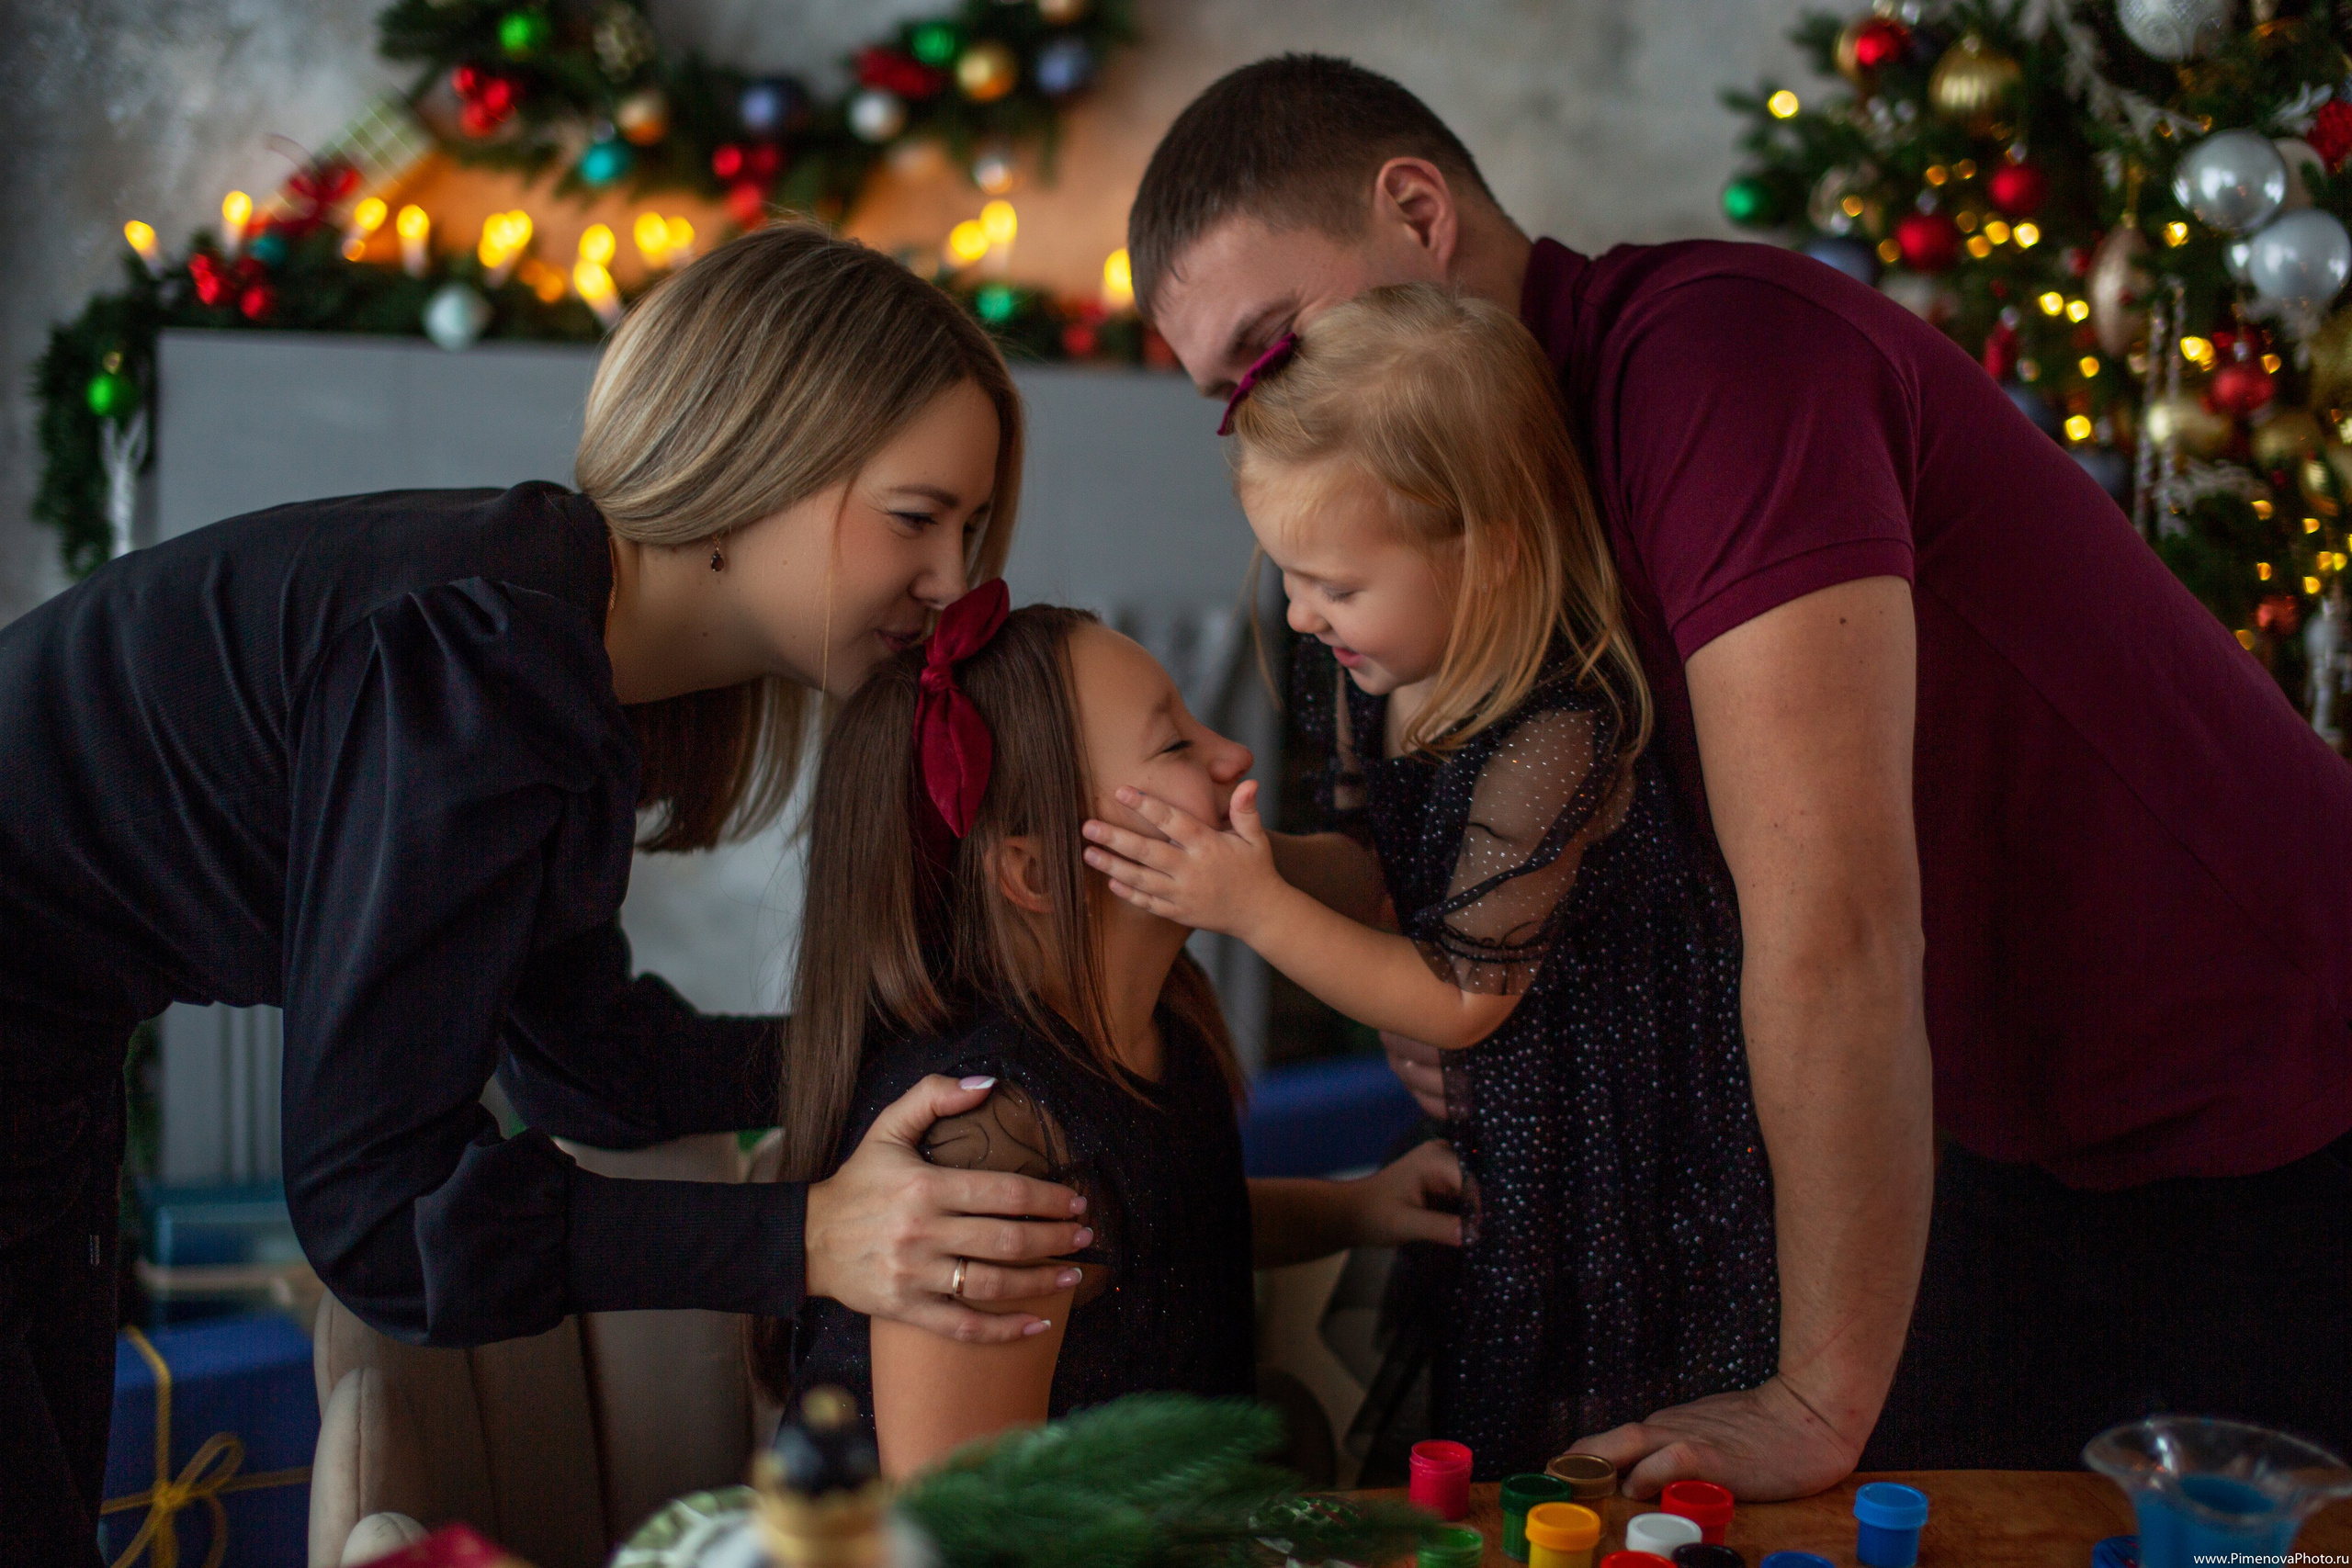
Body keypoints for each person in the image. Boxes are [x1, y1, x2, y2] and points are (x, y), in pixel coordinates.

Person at [1122, 56, 2352, 1494]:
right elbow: (1484, 859)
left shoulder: (1717, 364)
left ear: (1415, 209)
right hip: (1985, 1106)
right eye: (1231, 393)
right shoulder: (1443, 509)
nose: (1269, 404)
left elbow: (1834, 922)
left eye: (1272, 343)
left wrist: (1816, 1391)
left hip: (2255, 1072)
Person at [0, 226, 1090, 1559]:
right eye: (918, 516)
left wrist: (913, 1038)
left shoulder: (560, 654)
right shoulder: (484, 665)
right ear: (756, 459)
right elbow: (381, 1213)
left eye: (969, 530)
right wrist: (806, 1234)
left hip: (46, 1052)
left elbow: (594, 1067)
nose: (952, 582)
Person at [1080, 286, 1778, 1479]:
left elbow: (1464, 995)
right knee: (1467, 1430)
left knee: (1581, 1445)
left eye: (1335, 585)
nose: (1302, 613)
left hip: (1612, 1157)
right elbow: (1368, 861)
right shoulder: (1374, 665)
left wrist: (1249, 906)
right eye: (1289, 574)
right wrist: (1244, 860)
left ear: (1492, 551)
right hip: (1502, 1129)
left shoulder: (1556, 730)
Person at [764, 589, 1463, 1476]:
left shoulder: (1162, 1010)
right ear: (1033, 872)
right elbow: (962, 1526)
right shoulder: (992, 1146)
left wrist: (1357, 1208)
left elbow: (1170, 1230)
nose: (1235, 755)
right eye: (1176, 744)